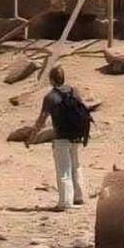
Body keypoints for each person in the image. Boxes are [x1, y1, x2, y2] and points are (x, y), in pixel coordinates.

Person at [26, 66, 91, 210]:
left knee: (64, 170)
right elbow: (83, 111)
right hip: (76, 136)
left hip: (61, 137)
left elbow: (41, 120)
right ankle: (79, 197)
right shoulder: (74, 91)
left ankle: (65, 202)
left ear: (51, 79)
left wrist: (32, 136)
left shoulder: (50, 97)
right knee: (76, 166)